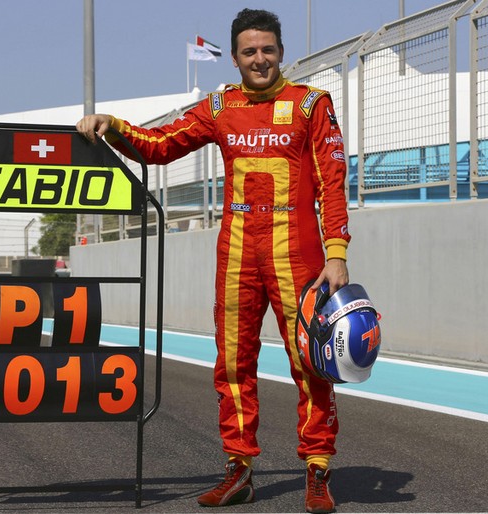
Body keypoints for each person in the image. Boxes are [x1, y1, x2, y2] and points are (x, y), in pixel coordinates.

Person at [76, 8, 350, 513]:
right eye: (249, 51)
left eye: (268, 49)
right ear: (237, 57)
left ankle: (317, 469)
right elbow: (160, 146)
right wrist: (111, 126)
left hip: (299, 252)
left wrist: (337, 255)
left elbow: (333, 182)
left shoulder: (312, 104)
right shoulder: (219, 104)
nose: (260, 59)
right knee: (232, 365)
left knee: (311, 365)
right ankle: (238, 467)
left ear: (281, 53)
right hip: (238, 254)